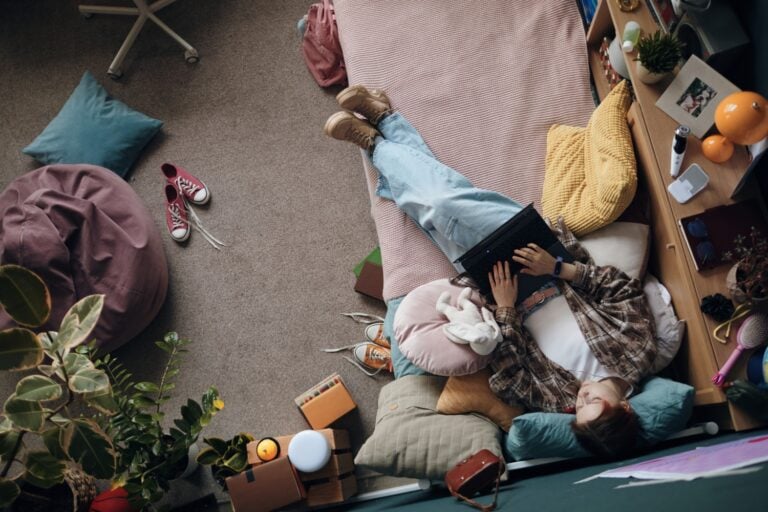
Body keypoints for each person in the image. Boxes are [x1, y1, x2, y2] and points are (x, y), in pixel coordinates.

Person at [324, 85, 657, 458]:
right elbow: (621, 290)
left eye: (579, 410)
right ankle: (376, 143)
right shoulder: (637, 353)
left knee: (431, 214)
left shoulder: (556, 399)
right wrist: (557, 267)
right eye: (592, 402)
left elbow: (506, 378)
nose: (582, 398)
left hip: (498, 286)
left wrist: (506, 309)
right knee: (445, 201)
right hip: (540, 254)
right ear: (625, 407)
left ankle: (385, 124)